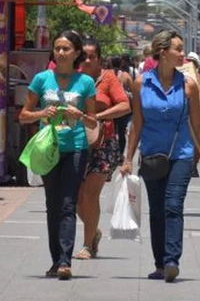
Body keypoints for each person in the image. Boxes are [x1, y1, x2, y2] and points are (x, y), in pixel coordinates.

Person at [121, 30, 200, 283]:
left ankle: (172, 260)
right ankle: (160, 264)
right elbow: (137, 125)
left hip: (181, 154)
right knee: (157, 210)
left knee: (173, 205)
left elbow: (197, 125)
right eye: (177, 48)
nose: (182, 53)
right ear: (163, 52)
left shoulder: (189, 85)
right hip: (152, 154)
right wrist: (128, 158)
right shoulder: (141, 83)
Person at [19, 30, 98, 280]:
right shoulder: (41, 79)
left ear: (76, 53)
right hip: (49, 149)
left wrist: (80, 115)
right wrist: (42, 114)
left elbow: (93, 123)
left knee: (67, 203)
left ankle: (65, 261)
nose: (60, 53)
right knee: (52, 204)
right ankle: (55, 260)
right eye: (57, 48)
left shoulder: (85, 83)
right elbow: (23, 115)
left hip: (75, 148)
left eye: (66, 49)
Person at [73, 39, 130, 260]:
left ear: (99, 59)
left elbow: (124, 105)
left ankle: (87, 245)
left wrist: (98, 116)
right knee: (77, 199)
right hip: (76, 141)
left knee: (90, 194)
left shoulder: (108, 79)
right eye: (84, 56)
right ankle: (93, 230)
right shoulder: (73, 78)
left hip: (102, 143)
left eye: (92, 56)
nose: (87, 60)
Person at [112, 56, 134, 156]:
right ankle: (120, 154)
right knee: (121, 133)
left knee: (111, 132)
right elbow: (134, 89)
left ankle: (112, 153)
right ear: (121, 63)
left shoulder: (107, 75)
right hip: (122, 108)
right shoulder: (125, 75)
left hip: (110, 107)